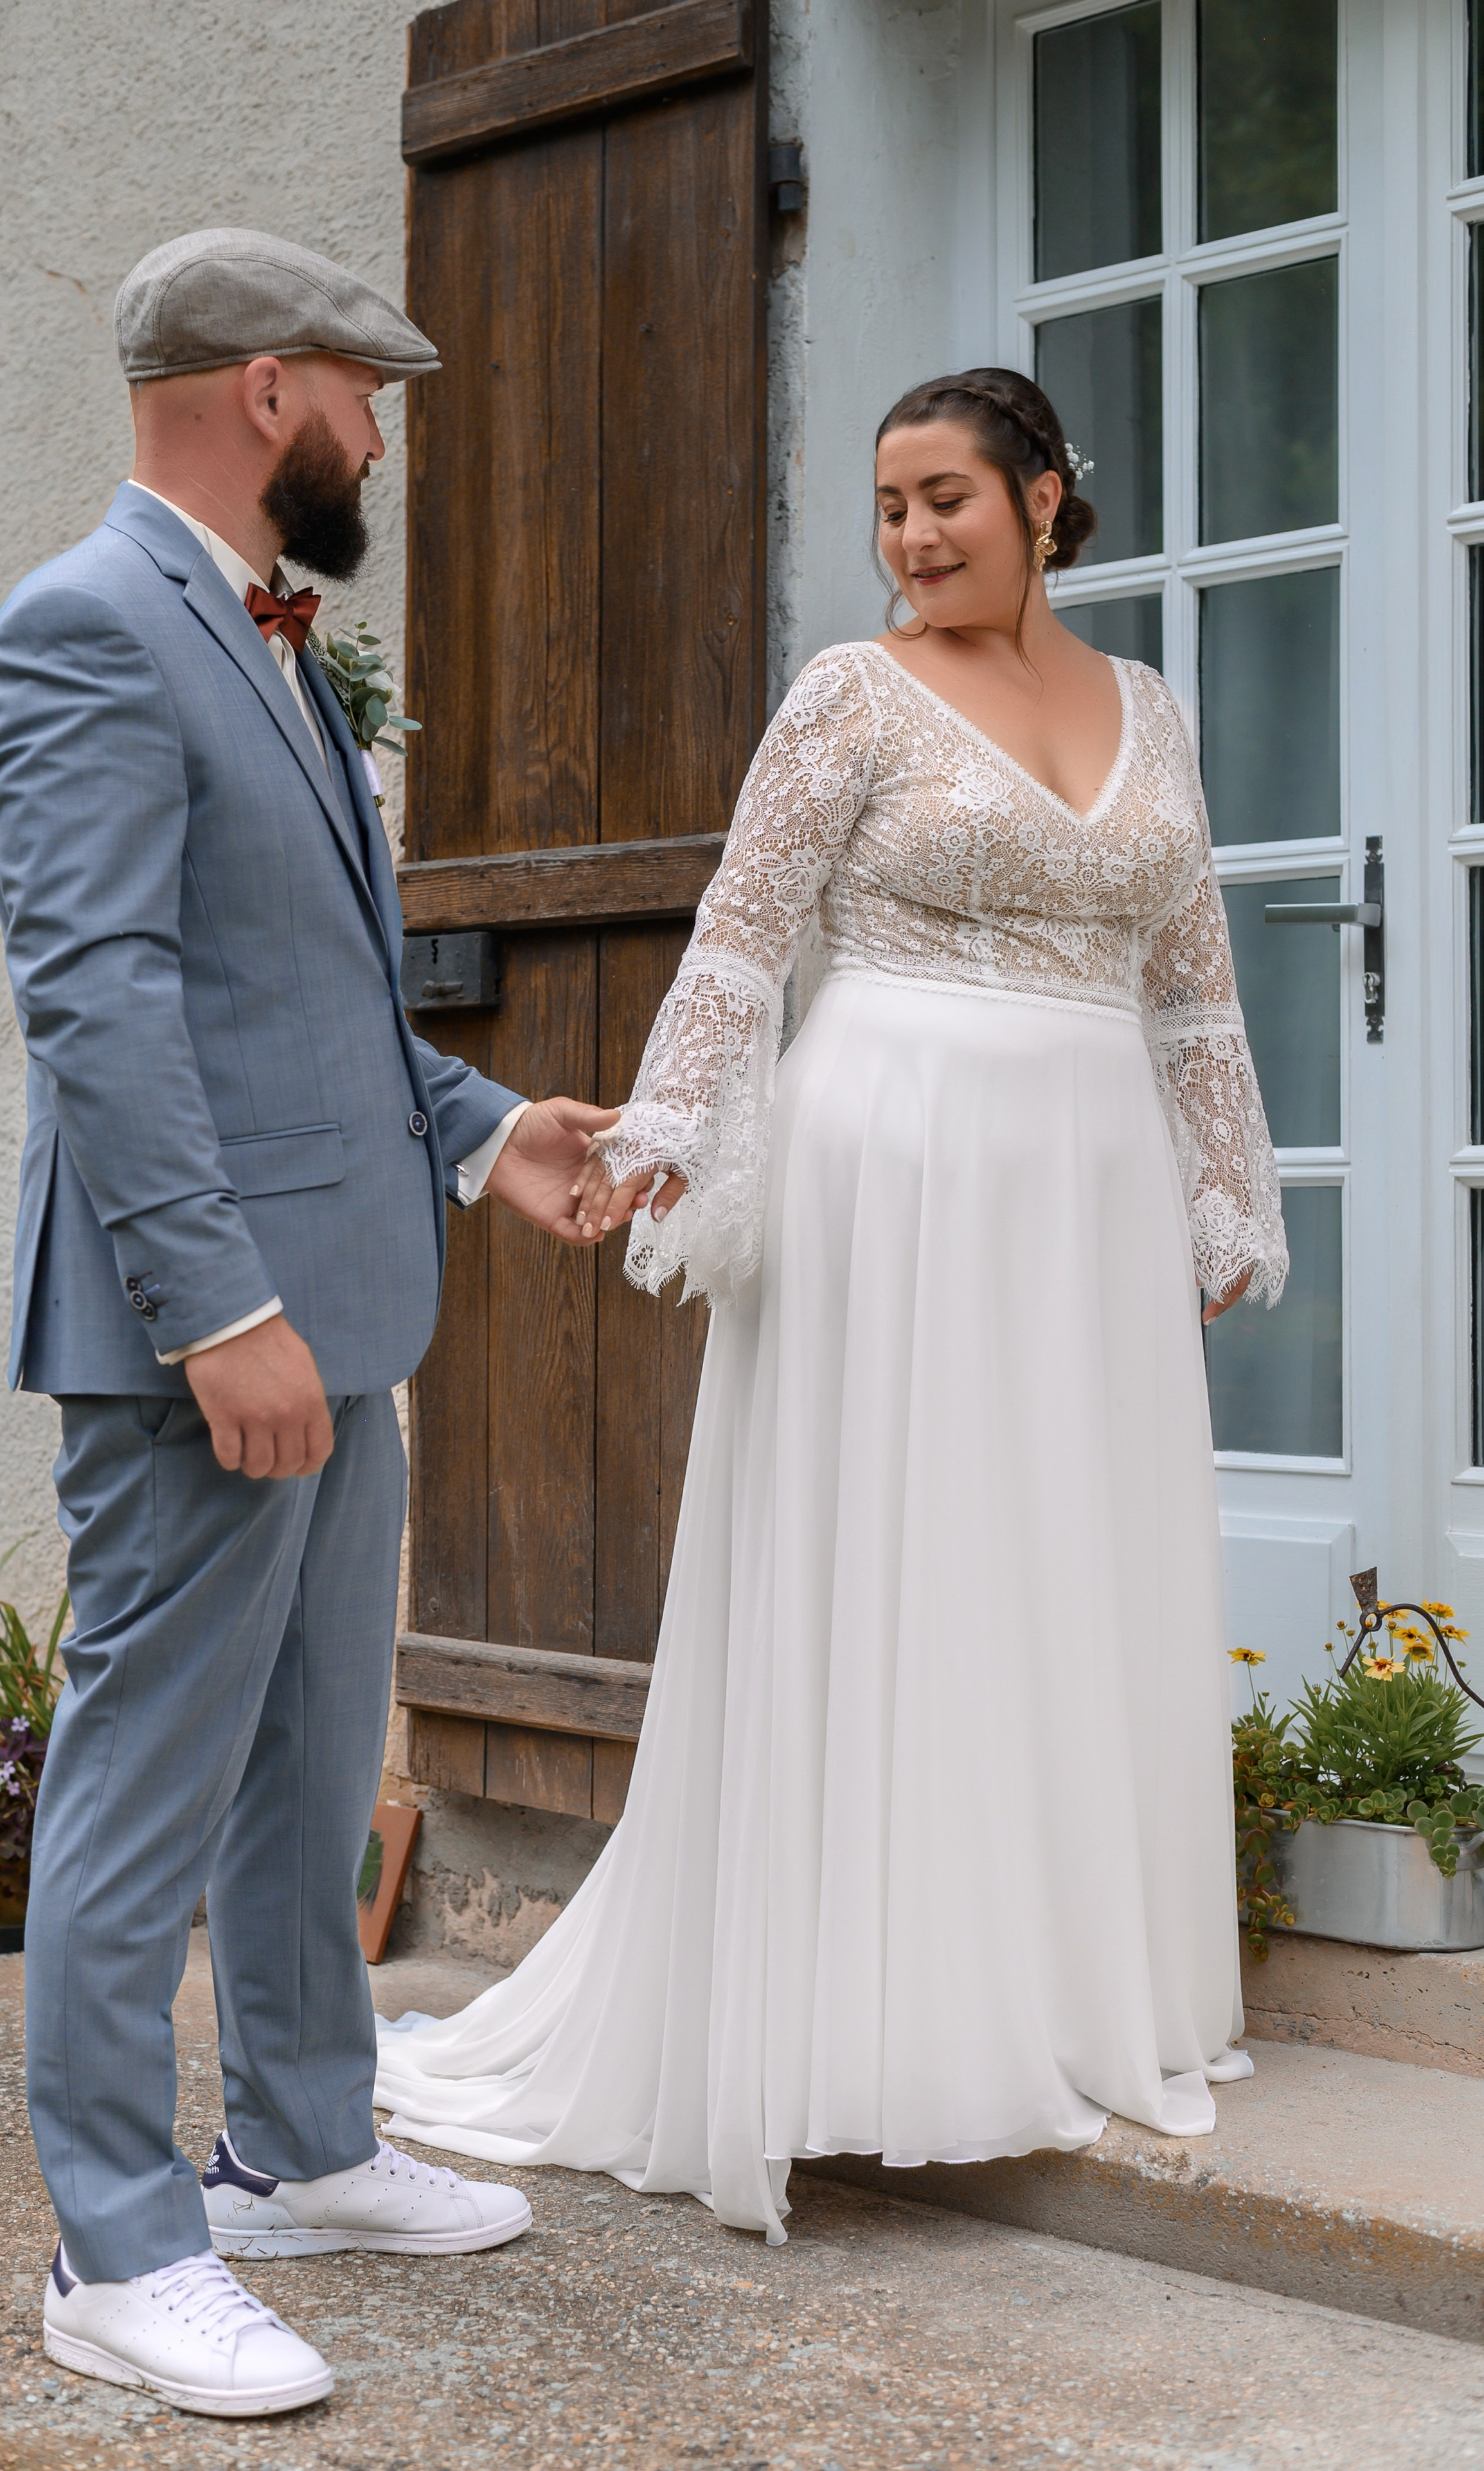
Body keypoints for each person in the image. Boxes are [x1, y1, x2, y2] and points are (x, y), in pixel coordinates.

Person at [371, 368, 1287, 2245]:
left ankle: (1057, 1978)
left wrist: (1221, 1191)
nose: (914, 537)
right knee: (910, 1555)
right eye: (887, 506)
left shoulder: (1155, 711)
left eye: (947, 495)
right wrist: (675, 1137)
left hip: (1087, 1184)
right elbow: (744, 926)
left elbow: (1191, 981)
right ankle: (871, 2011)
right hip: (898, 1166)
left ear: (1046, 496)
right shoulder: (850, 695)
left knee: (1062, 1560)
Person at [0, 228, 618, 2417]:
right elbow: (106, 1009)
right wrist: (217, 1300)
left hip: (339, 1309)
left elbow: (304, 996)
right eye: (365, 392)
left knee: (316, 1756)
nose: (378, 434)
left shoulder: (266, 638)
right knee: (147, 1788)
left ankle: (305, 2145)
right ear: (264, 391)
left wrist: (491, 1125)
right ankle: (115, 2246)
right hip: (208, 1330)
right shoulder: (82, 628)